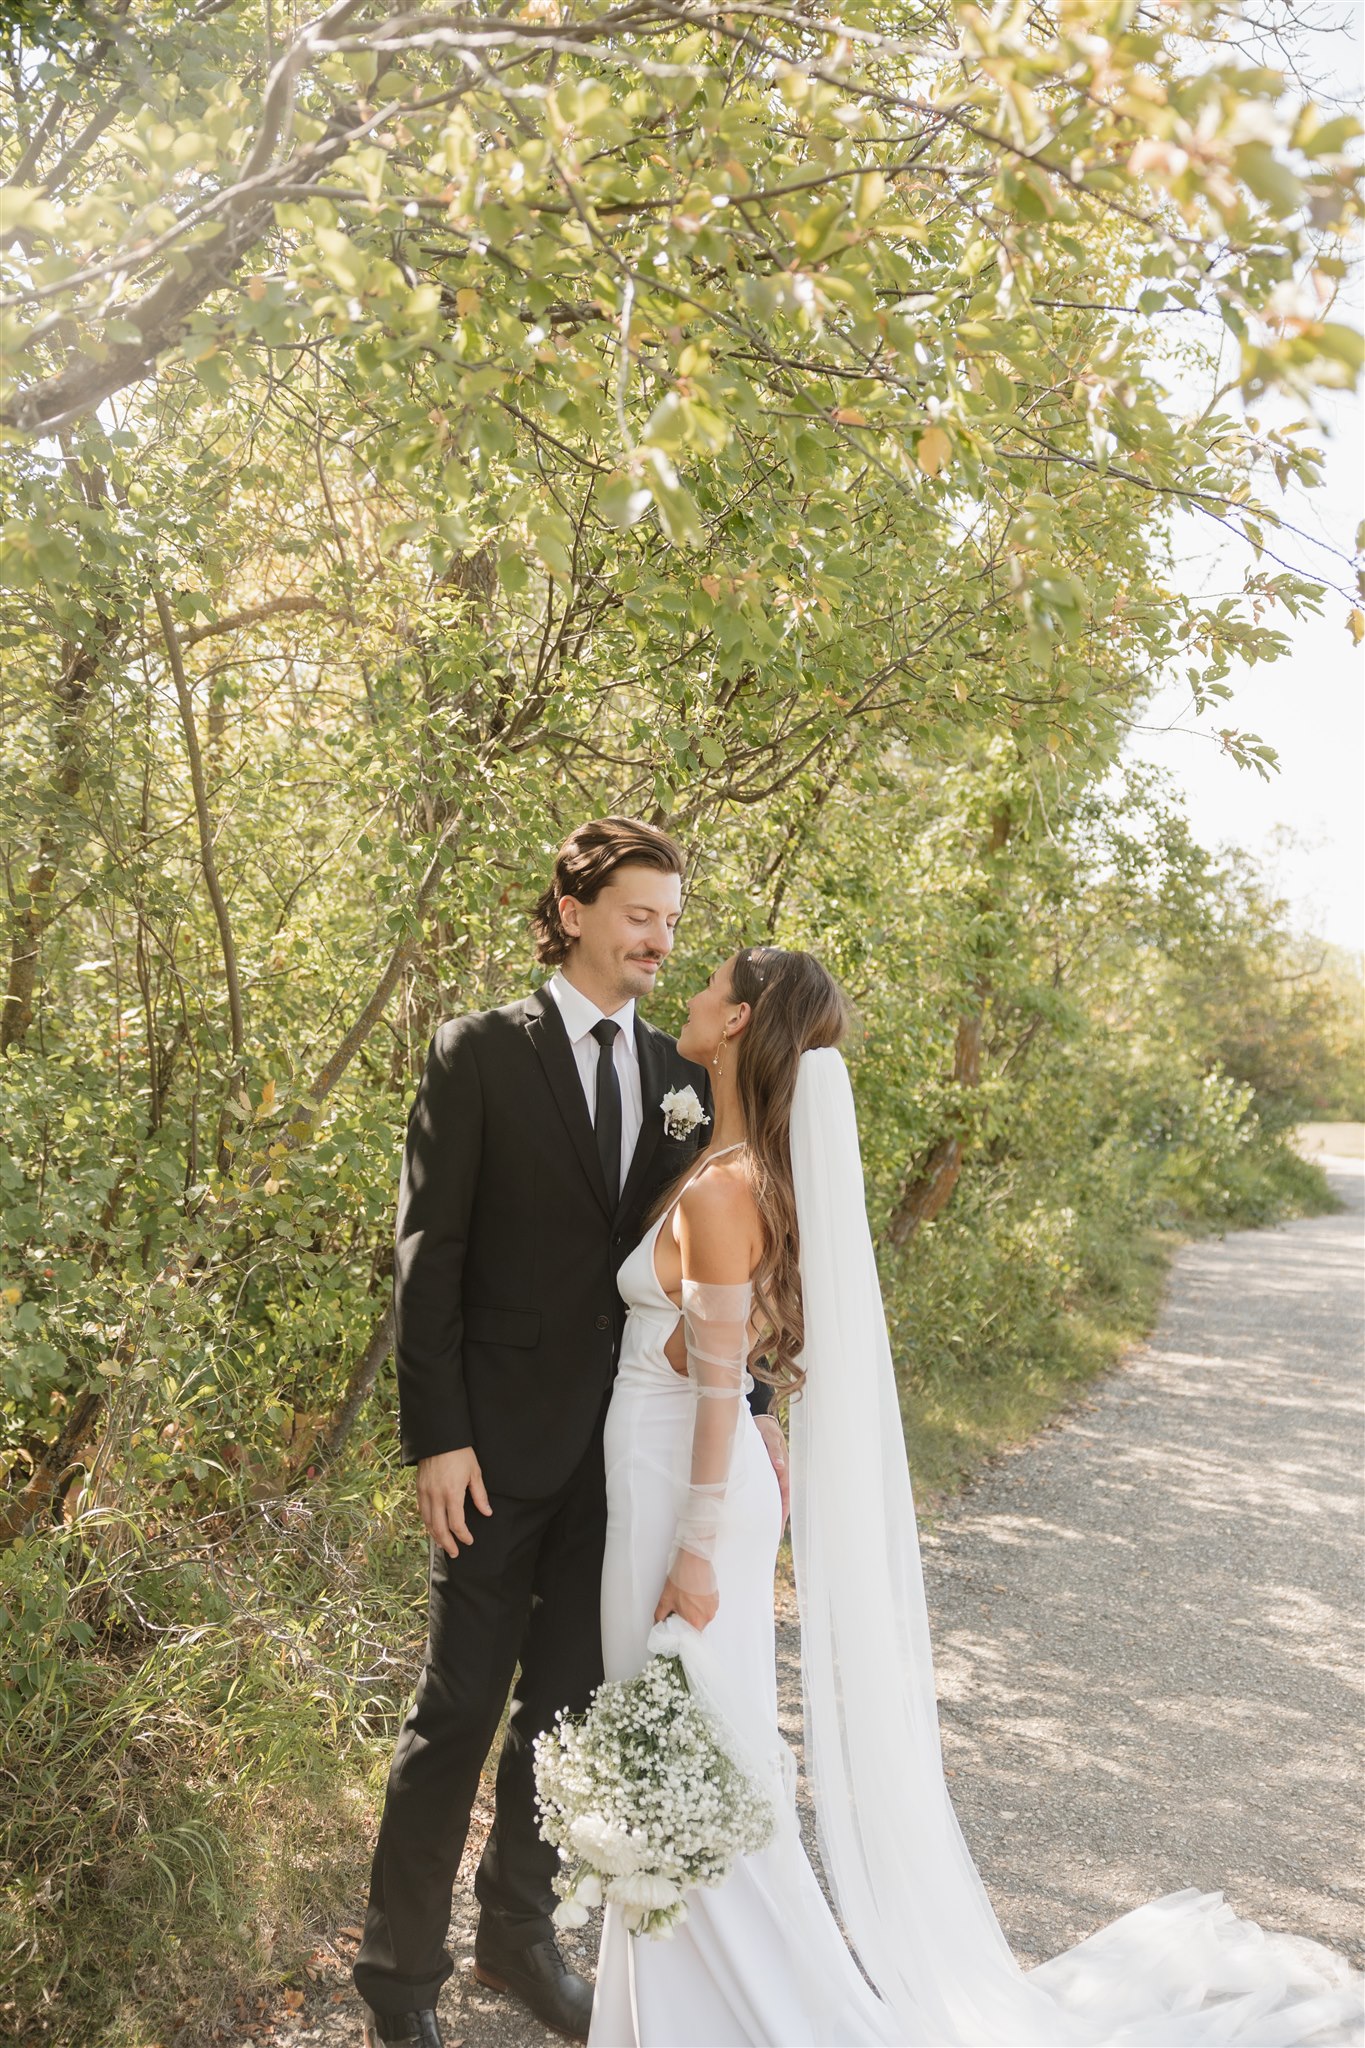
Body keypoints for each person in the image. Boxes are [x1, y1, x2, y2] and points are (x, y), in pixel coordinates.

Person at [588, 943, 1364, 2048]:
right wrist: (745, 1429)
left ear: (741, 1018)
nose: (693, 995)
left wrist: (701, 1542)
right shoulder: (734, 1164)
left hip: (683, 1499)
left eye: (711, 984)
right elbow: (721, 1365)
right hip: (680, 1477)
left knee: (692, 1748)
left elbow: (716, 1381)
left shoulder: (723, 1187)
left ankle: (740, 2011)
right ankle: (669, 2006)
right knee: (685, 1743)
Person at [355, 822, 788, 2048]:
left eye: (672, 919)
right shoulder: (479, 1051)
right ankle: (397, 1978)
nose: (661, 938)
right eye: (641, 913)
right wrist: (437, 1437)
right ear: (576, 907)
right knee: (454, 1713)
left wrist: (755, 1412)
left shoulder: (680, 1075)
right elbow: (426, 1259)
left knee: (568, 1711)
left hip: (620, 1465)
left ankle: (517, 1934)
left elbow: (715, 1277)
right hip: (489, 1456)